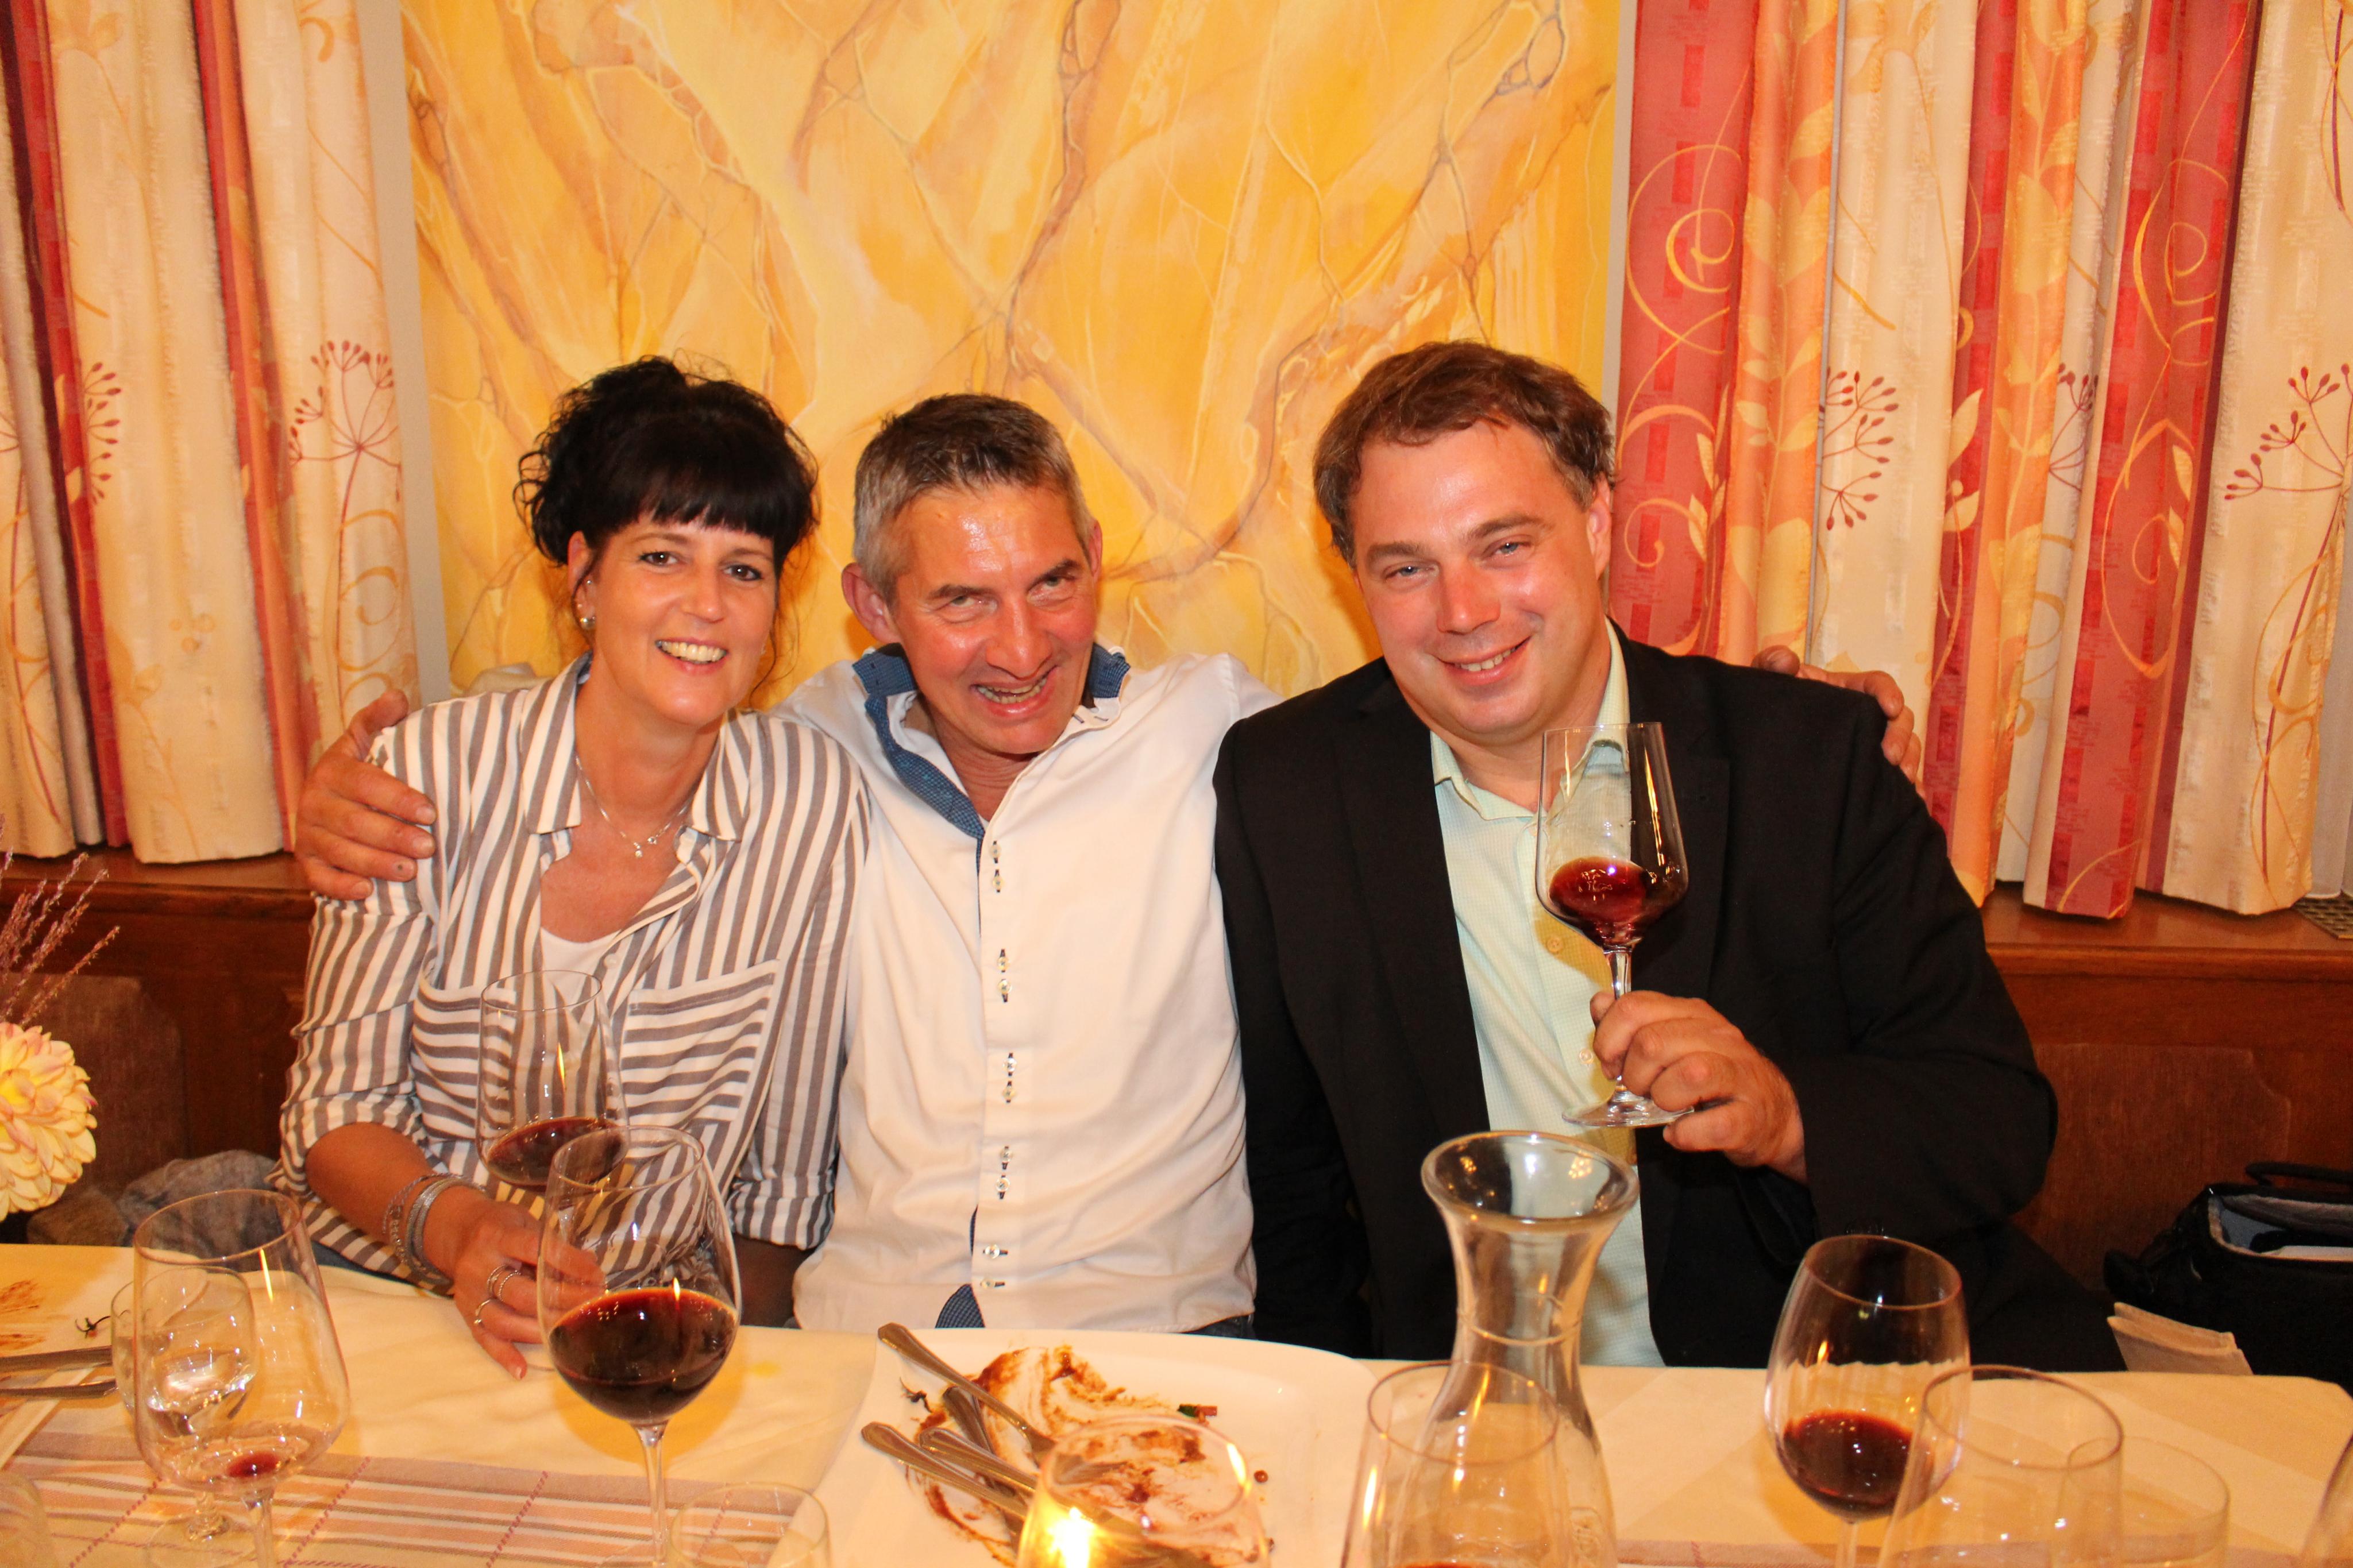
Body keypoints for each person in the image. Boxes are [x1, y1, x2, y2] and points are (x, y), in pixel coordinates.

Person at [292, 385, 1920, 1337]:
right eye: (959, 602)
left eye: (1054, 584)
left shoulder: (1230, 740)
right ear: (866, 609)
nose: (1020, 648)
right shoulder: (800, 759)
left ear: (1095, 564)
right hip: (874, 1346)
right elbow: (630, 708)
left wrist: (1766, 714)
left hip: (1172, 1347)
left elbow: (1475, 692)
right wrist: (365, 782)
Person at [1216, 340, 2119, 1369]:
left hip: (1809, 1378)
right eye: (1408, 567)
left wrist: (1785, 1114)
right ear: (1359, 580)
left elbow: (1997, 1118)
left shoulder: (1808, 761)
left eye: (1505, 545)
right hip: (1487, 1396)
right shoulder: (1288, 790)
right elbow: (1293, 1187)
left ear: (1598, 522)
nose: (1464, 612)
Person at [277, 358, 867, 1374]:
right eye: (663, 556)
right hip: (400, 1298)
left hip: (646, 1319)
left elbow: (784, 1176)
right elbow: (333, 1113)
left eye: (744, 568)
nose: (707, 604)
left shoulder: (809, 801)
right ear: (585, 575)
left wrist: (736, 1372)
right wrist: (459, 1229)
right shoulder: (425, 778)